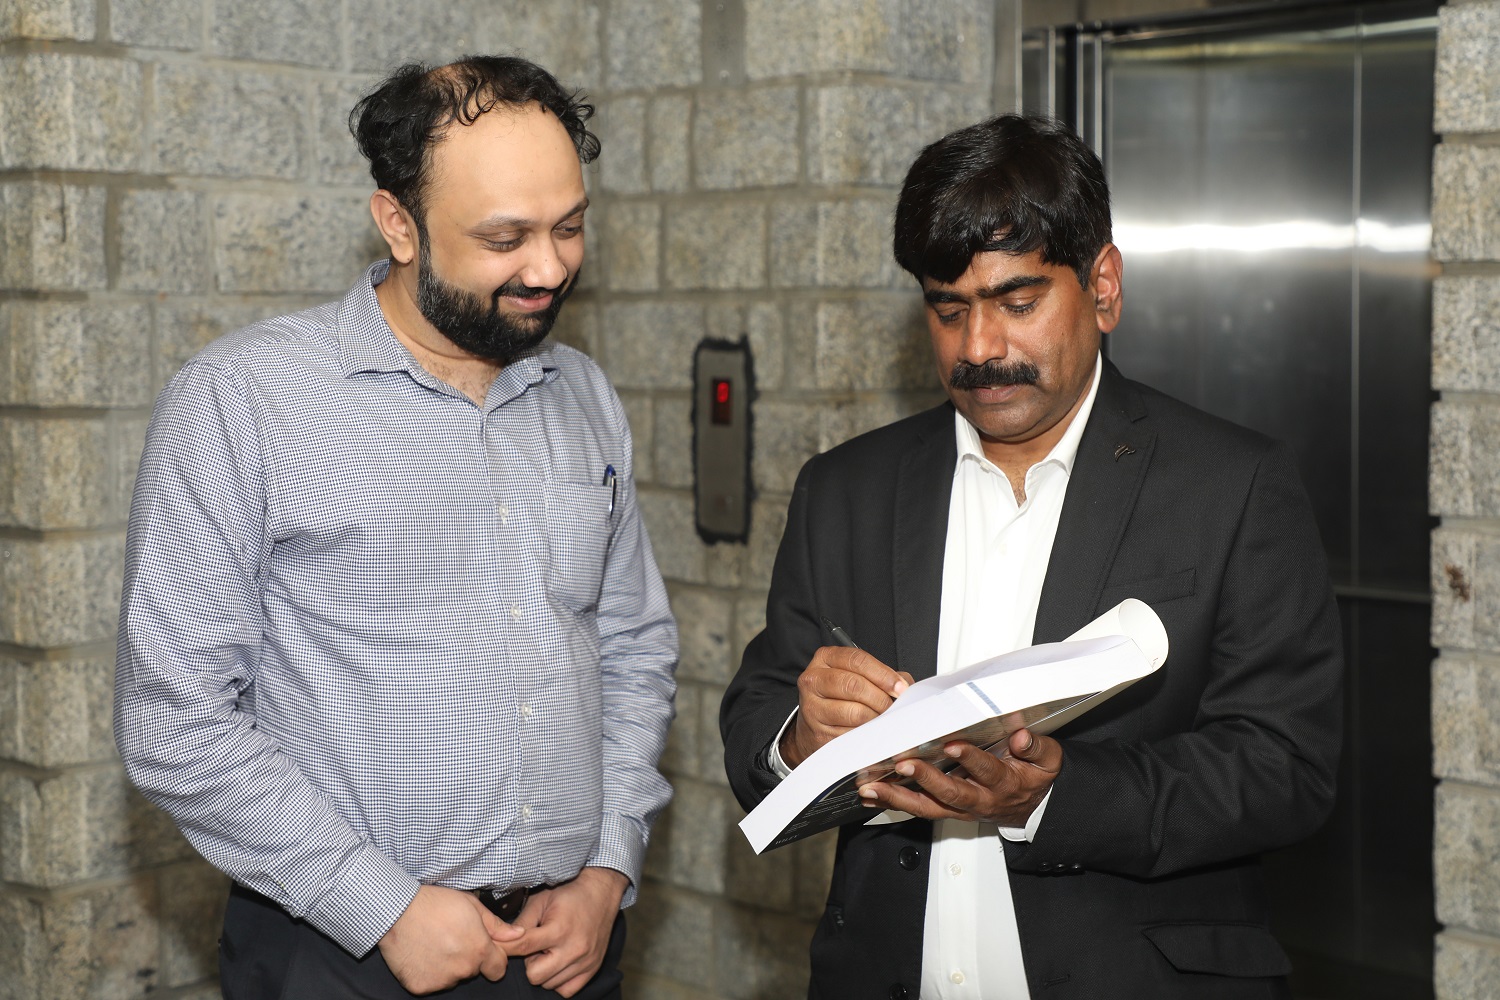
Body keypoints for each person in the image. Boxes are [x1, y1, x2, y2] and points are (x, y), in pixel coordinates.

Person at [720, 114, 1342, 999]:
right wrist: (801, 737)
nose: (979, 350)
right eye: (948, 310)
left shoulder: (1232, 485)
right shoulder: (845, 489)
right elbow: (756, 716)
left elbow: (1286, 768)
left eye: (1017, 303)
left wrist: (1052, 796)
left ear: (1103, 287)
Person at [115, 56, 677, 1000]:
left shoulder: (583, 395)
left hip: (568, 949)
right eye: (506, 237)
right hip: (339, 953)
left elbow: (631, 649)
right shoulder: (242, 400)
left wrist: (607, 868)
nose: (549, 267)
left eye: (569, 227)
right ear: (398, 224)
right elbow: (175, 716)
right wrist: (379, 905)